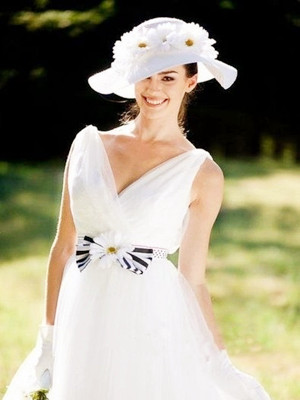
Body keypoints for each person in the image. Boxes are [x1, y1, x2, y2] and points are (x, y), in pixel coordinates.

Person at [4, 16, 272, 400]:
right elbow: (63, 247)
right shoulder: (88, 146)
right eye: (146, 75)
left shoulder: (203, 173)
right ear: (132, 76)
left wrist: (219, 359)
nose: (154, 88)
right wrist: (47, 337)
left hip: (150, 313)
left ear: (190, 82)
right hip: (82, 308)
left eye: (168, 77)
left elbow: (192, 277)